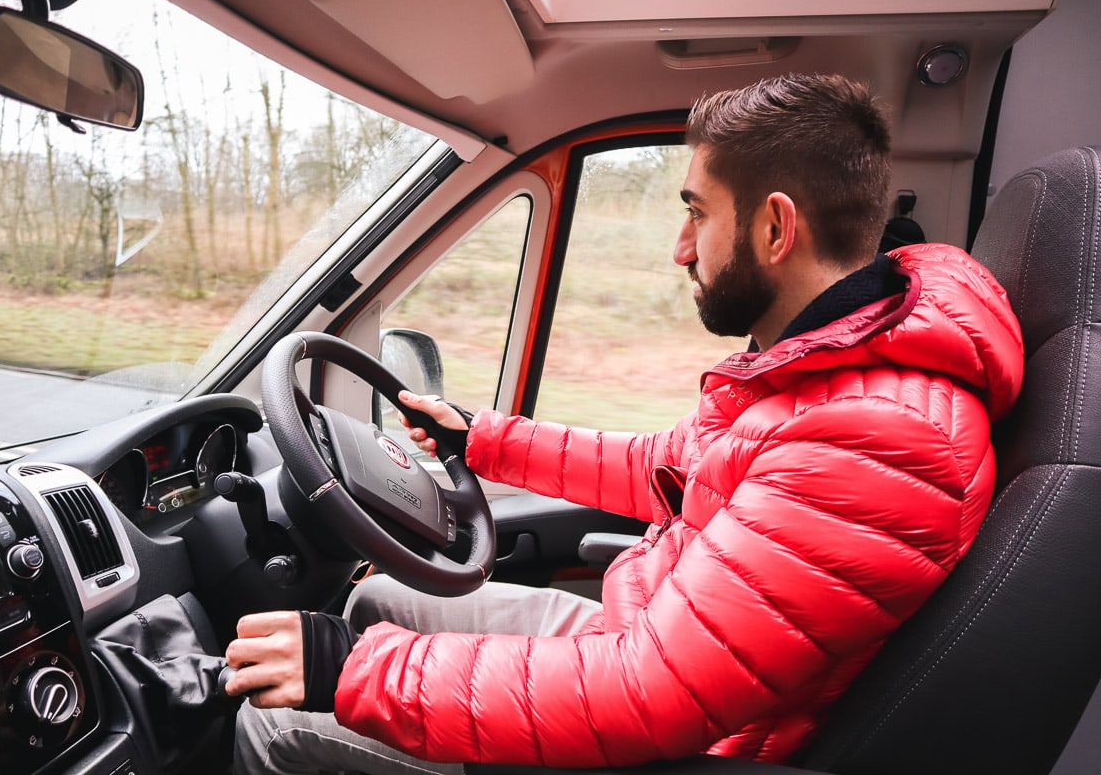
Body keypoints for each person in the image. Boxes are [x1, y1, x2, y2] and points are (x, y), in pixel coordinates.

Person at [224, 73, 1024, 773]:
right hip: (642, 635)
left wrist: (349, 674)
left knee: (277, 714)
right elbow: (664, 467)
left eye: (697, 214)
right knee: (371, 608)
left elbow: (646, 694)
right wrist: (483, 439)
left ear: (776, 229)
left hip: (667, 740)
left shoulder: (873, 437)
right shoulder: (825, 372)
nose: (682, 249)